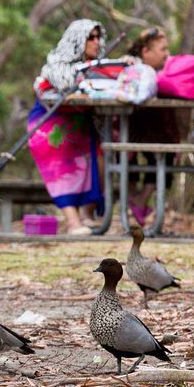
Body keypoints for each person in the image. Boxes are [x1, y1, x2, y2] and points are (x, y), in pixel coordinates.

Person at [28, 19, 105, 235]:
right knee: (61, 155)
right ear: (77, 40)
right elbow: (66, 84)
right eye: (91, 37)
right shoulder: (56, 64)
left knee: (101, 154)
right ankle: (72, 221)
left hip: (82, 125)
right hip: (49, 122)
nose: (96, 42)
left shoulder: (101, 66)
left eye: (98, 37)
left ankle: (88, 214)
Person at [123, 27, 172, 226]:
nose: (167, 54)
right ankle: (136, 201)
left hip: (157, 128)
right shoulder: (131, 69)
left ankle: (139, 202)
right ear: (145, 52)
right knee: (125, 153)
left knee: (164, 153)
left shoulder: (167, 70)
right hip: (132, 126)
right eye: (162, 49)